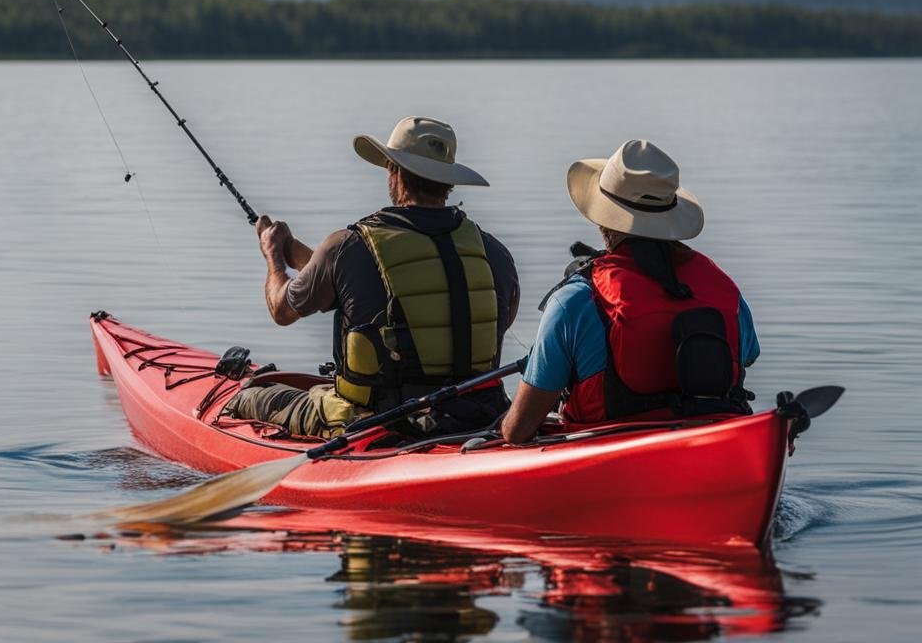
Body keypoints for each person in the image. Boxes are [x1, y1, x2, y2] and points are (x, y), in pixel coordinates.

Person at [223, 116, 520, 438]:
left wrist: (273, 257)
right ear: (448, 181)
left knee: (247, 397)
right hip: (482, 414)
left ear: (394, 171)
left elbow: (281, 310)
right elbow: (478, 317)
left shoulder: (349, 247)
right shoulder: (494, 251)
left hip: (377, 421)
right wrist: (292, 249)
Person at [501, 139, 759, 444]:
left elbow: (519, 431)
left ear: (603, 220)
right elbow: (747, 356)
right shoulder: (724, 289)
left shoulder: (574, 300)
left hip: (611, 457)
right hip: (711, 444)